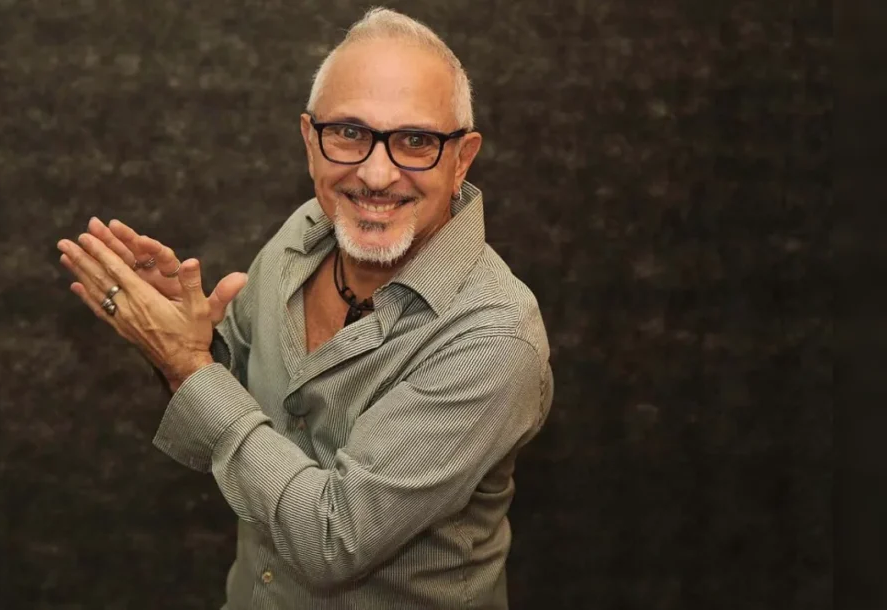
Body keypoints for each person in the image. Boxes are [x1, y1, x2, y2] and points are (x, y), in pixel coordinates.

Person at [56, 7, 554, 609]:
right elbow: (226, 396)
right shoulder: (305, 233)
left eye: (416, 141)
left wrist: (188, 364)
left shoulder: (494, 338)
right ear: (310, 142)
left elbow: (332, 539)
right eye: (349, 133)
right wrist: (180, 337)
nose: (376, 173)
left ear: (462, 160)